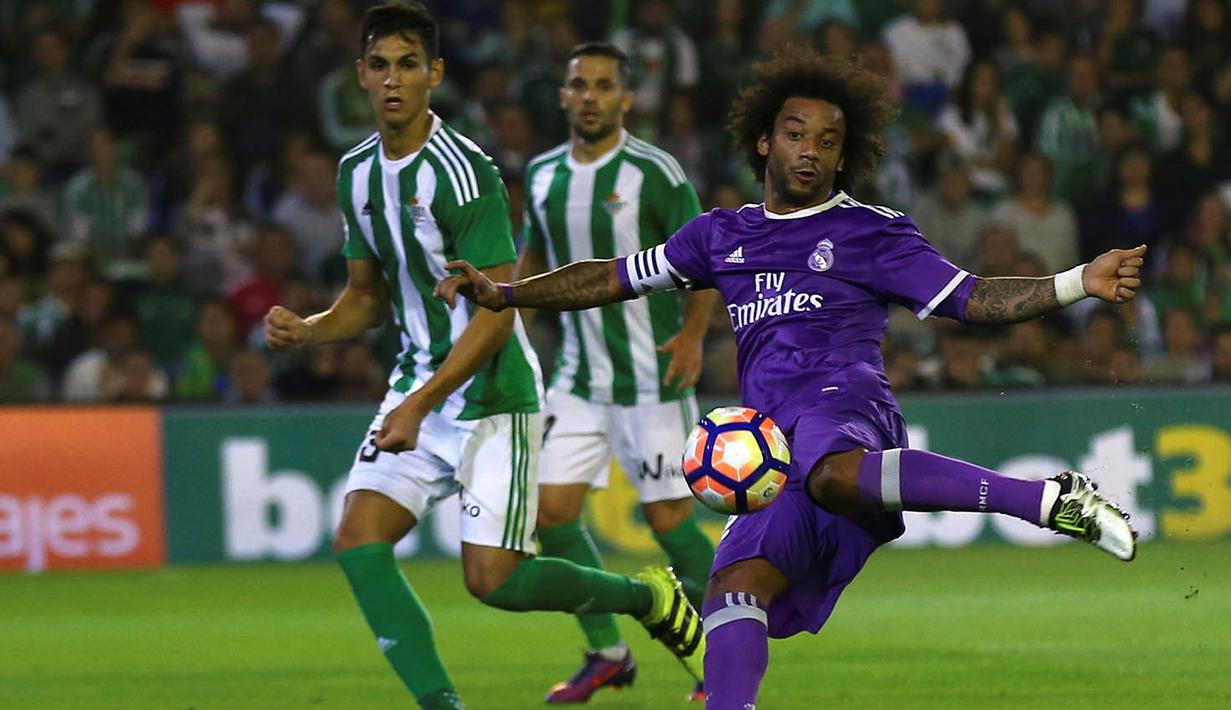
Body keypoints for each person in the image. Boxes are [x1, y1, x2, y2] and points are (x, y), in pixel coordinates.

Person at [437, 48, 1144, 710]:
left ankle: (1048, 501)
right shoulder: (717, 236)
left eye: (828, 140)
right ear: (763, 143)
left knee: (834, 474)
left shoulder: (871, 232)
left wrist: (1077, 280)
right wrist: (509, 294)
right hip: (772, 446)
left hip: (846, 407)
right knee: (729, 591)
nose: (811, 149)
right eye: (796, 133)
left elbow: (970, 297)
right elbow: (612, 277)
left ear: (844, 155)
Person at [262, 5, 702, 709]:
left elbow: (500, 313)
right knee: (357, 542)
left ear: (434, 74)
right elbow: (365, 298)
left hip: (492, 397)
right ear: (360, 77)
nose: (393, 80)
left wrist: (420, 402)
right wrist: (310, 330)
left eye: (409, 64)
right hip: (417, 390)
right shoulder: (355, 173)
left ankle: (642, 597)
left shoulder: (464, 174)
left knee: (493, 581)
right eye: (379, 65)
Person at [517, 42, 717, 704]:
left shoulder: (654, 172)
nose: (591, 95)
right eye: (579, 84)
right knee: (550, 514)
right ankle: (607, 651)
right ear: (563, 95)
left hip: (651, 378)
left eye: (604, 85)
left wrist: (692, 336)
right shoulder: (543, 175)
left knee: (666, 522)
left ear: (626, 99)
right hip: (575, 380)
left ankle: (719, 665)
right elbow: (532, 266)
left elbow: (707, 259)